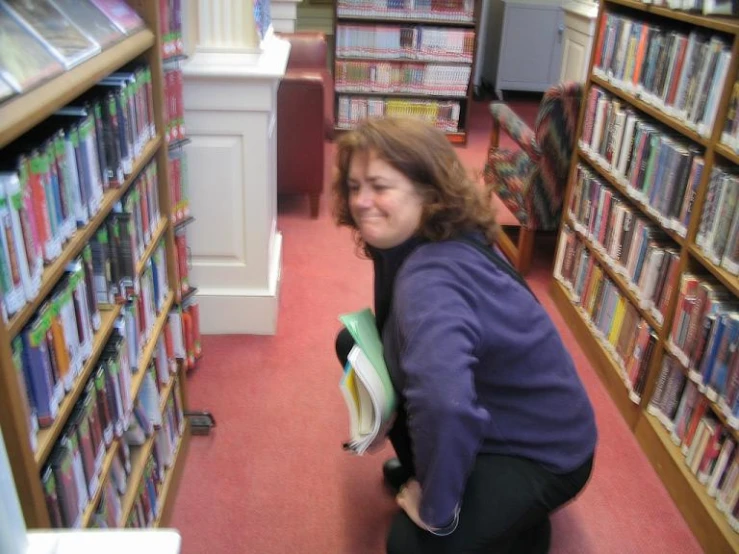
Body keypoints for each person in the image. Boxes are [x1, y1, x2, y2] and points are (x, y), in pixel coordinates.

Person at [332, 117, 597, 554]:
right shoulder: (430, 234)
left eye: (379, 186)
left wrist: (436, 508)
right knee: (354, 346)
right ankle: (451, 478)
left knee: (409, 544)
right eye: (354, 185)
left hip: (542, 451)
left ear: (427, 191)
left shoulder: (429, 281)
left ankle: (520, 527)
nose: (361, 201)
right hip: (500, 408)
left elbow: (444, 404)